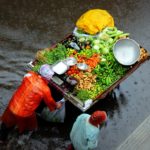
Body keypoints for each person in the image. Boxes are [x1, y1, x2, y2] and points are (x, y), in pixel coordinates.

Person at [0, 64, 62, 142]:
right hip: (25, 112)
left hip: (12, 106)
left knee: (6, 124)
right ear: (49, 77)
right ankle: (23, 138)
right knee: (29, 126)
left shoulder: (29, 75)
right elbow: (50, 102)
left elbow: (25, 80)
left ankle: (2, 139)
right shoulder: (45, 89)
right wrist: (57, 105)